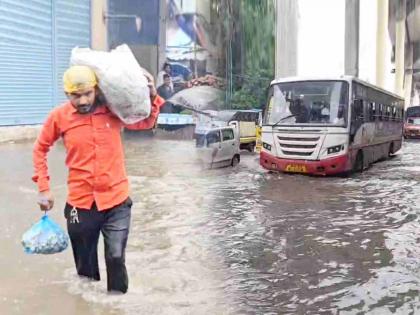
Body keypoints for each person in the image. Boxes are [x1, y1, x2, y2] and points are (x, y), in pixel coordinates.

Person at [32, 65, 164, 294]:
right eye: (76, 95)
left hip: (117, 201)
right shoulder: (59, 117)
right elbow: (40, 149)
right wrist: (44, 187)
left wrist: (152, 96)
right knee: (85, 272)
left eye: (87, 94)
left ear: (96, 90)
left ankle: (116, 305)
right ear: (67, 95)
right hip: (80, 204)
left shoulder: (113, 111)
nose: (82, 100)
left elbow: (145, 123)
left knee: (115, 256)